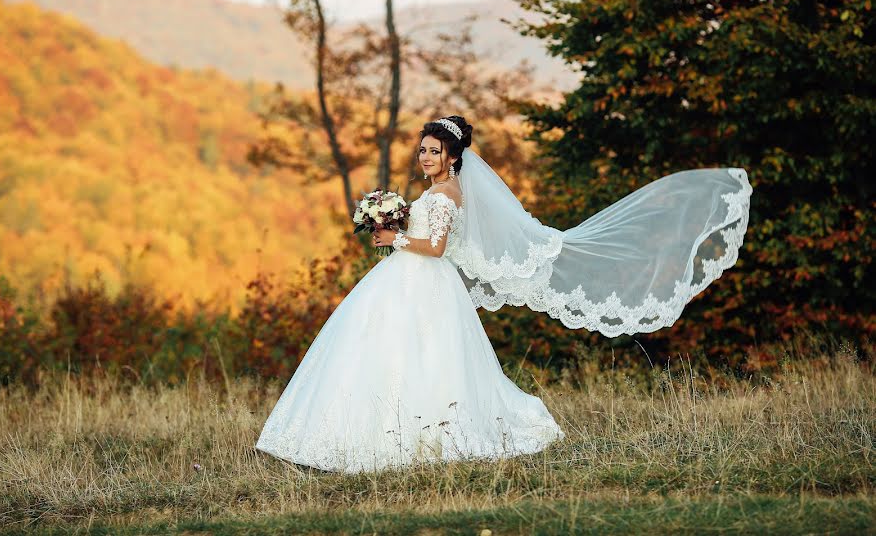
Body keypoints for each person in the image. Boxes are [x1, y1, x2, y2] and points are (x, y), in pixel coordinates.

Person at [255, 115, 752, 473]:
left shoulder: (447, 195)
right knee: (386, 350)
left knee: (421, 355)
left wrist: (394, 237)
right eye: (422, 150)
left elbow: (437, 247)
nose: (425, 157)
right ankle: (368, 431)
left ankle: (414, 438)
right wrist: (394, 221)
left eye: (434, 151)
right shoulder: (432, 194)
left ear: (452, 157)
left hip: (423, 278)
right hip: (404, 281)